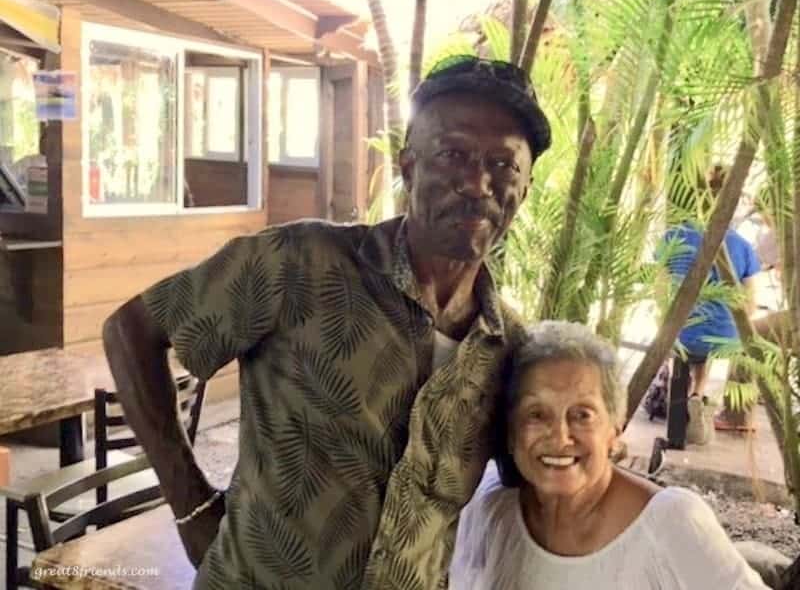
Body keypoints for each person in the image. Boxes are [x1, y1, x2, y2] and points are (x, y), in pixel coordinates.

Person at [101, 55, 551, 589]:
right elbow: (132, 331)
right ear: (409, 167)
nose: (477, 182)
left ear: (523, 187)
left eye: (504, 164)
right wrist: (192, 507)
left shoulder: (509, 352)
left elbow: (542, 485)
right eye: (453, 154)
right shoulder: (300, 263)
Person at [449, 320, 769, 589]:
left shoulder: (671, 524)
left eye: (583, 414)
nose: (560, 437)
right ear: (510, 430)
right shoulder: (489, 506)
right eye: (537, 414)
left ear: (614, 429)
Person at [663, 164, 761, 444]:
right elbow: (750, 306)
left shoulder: (675, 236)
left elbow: (661, 292)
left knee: (688, 338)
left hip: (680, 331)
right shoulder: (743, 246)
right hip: (725, 335)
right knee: (747, 338)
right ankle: (701, 395)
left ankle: (692, 395)